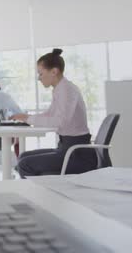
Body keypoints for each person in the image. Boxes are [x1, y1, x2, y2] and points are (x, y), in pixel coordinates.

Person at [10, 49, 94, 178]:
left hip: (76, 153)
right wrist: (26, 118)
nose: (39, 78)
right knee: (23, 157)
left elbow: (61, 121)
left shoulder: (66, 90)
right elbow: (50, 114)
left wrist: (29, 119)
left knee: (24, 164)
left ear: (54, 71)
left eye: (41, 74)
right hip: (67, 148)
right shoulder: (60, 89)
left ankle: (38, 196)